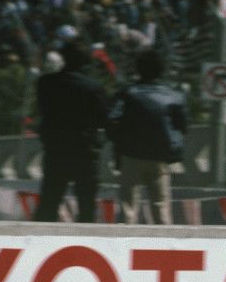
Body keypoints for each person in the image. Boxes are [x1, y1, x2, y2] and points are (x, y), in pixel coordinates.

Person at [107, 48, 188, 225]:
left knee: (128, 210)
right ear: (161, 70)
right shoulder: (173, 96)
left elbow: (111, 120)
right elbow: (182, 127)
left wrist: (119, 144)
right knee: (161, 209)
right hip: (160, 158)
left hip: (131, 156)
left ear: (138, 68)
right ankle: (163, 242)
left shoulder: (127, 93)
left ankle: (124, 240)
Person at [33, 40, 110, 222]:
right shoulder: (93, 88)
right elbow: (104, 118)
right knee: (86, 206)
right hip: (84, 152)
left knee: (49, 203)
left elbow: (43, 111)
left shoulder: (45, 83)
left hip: (55, 150)